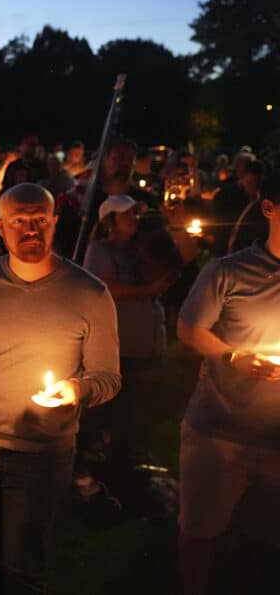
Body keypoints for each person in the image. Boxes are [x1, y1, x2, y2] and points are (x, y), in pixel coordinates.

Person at [0, 182, 121, 593]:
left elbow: (108, 376)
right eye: (19, 221)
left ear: (55, 223)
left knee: (23, 572)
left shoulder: (89, 293)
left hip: (42, 456)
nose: (31, 229)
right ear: (0, 227)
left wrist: (77, 389)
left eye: (40, 219)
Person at [175, 172, 280, 595]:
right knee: (201, 532)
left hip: (276, 438)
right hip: (220, 431)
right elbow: (188, 328)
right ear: (269, 208)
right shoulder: (229, 271)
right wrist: (233, 356)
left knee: (263, 545)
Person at [82, 194, 177, 478]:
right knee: (113, 408)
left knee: (138, 408)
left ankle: (124, 461)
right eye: (126, 214)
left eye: (134, 213)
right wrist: (149, 290)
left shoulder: (141, 249)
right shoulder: (100, 251)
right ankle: (102, 464)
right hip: (120, 344)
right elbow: (105, 287)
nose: (133, 219)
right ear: (110, 221)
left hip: (146, 341)